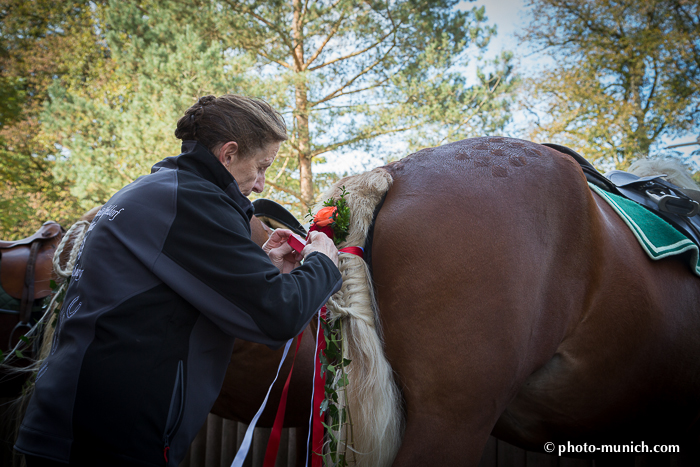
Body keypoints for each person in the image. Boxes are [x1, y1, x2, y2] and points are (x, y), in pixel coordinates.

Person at [14, 95, 342, 466]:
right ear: (228, 154)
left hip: (82, 428)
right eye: (262, 166)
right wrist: (322, 264)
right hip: (111, 438)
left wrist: (262, 265)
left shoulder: (155, 191)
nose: (262, 185)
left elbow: (172, 292)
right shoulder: (193, 202)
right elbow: (278, 315)